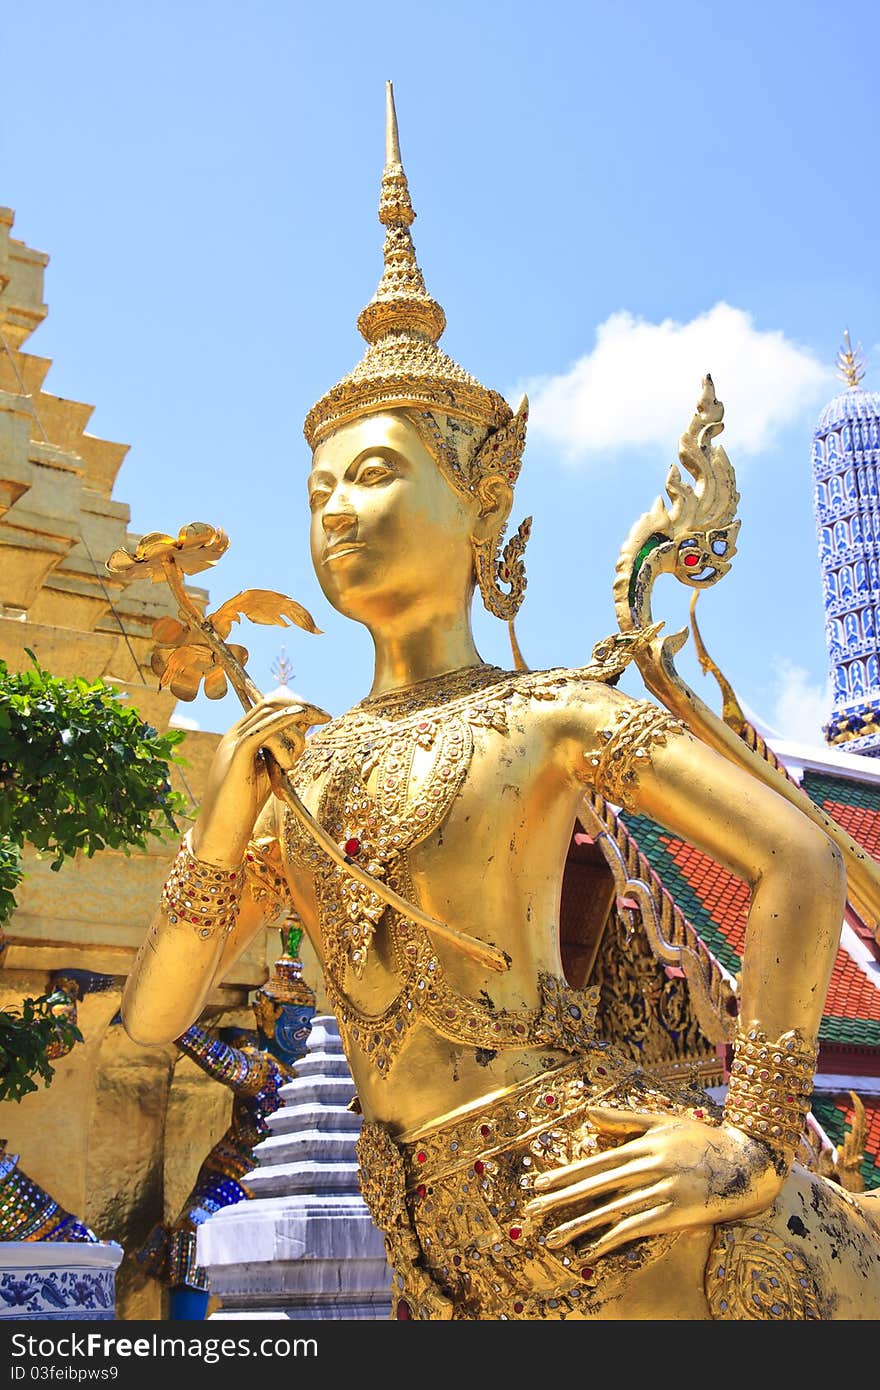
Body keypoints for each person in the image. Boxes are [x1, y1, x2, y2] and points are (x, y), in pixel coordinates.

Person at [121, 84, 880, 1320]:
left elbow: (798, 851)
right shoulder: (297, 783)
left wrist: (747, 1138)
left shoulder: (548, 716)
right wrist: (220, 827)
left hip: (609, 1198)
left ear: (481, 496)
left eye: (373, 473)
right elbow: (155, 1020)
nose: (334, 510)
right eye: (316, 487)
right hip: (430, 1238)